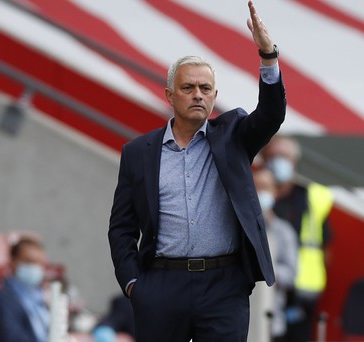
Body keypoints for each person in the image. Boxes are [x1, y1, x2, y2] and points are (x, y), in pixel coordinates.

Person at [107, 1, 286, 340]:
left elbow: (272, 114)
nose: (198, 95)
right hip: (160, 284)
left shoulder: (234, 136)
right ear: (169, 95)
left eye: (205, 89)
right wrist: (133, 284)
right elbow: (121, 228)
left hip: (224, 285)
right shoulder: (137, 153)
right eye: (188, 88)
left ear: (214, 95)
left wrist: (268, 57)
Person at [261, 135, 334, 342]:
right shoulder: (257, 193)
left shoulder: (312, 197)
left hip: (303, 291)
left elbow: (326, 246)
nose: (278, 161)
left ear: (295, 162)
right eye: (273, 156)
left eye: (284, 157)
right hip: (267, 289)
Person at [251, 168, 298, 342]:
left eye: (265, 187)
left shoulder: (284, 232)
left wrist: (263, 270)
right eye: (256, 186)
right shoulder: (236, 227)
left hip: (272, 318)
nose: (260, 191)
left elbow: (291, 274)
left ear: (275, 192)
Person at [0, 237, 50, 342]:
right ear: (13, 263)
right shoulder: (2, 303)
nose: (34, 268)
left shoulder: (40, 300)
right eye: (28, 262)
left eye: (38, 263)